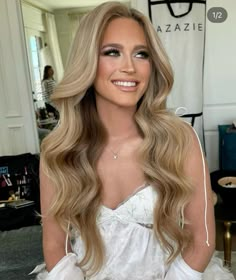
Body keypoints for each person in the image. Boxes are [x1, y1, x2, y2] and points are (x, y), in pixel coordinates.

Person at [33, 2, 235, 279]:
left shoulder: (179, 139)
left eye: (141, 54)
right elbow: (55, 243)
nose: (129, 67)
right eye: (112, 52)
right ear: (87, 61)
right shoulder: (59, 149)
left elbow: (203, 238)